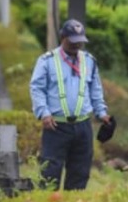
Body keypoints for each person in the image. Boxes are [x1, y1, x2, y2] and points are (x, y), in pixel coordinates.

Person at [29, 18, 111, 191]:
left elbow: (95, 89)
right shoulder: (47, 61)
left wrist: (102, 112)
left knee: (80, 173)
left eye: (80, 41)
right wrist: (44, 112)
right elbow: (36, 88)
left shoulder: (89, 61)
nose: (77, 45)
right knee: (50, 173)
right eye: (72, 41)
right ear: (63, 38)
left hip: (83, 126)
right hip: (56, 126)